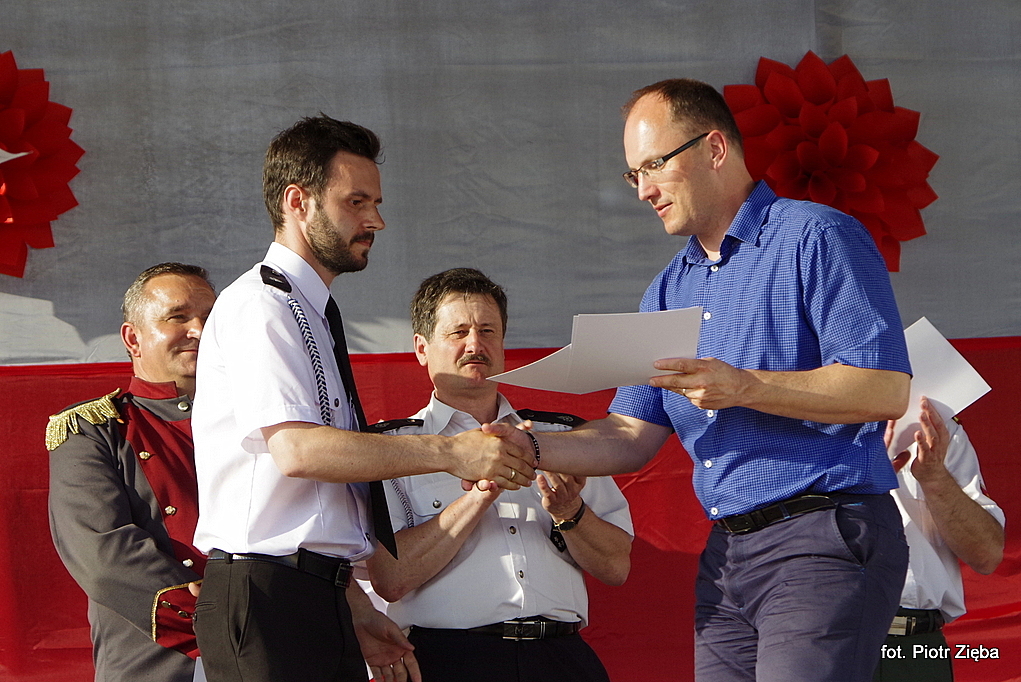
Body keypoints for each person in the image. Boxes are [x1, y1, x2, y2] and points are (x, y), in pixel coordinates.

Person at [487, 78, 914, 682]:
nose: (643, 190)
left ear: (715, 148)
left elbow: (885, 388)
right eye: (633, 174)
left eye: (654, 165)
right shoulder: (668, 289)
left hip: (820, 536)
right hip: (727, 558)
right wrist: (525, 445)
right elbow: (630, 435)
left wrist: (746, 387)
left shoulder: (816, 236)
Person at [190, 115, 536, 682]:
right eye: (356, 202)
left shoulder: (310, 310)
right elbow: (299, 452)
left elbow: (317, 500)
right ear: (298, 202)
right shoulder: (261, 304)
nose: (375, 220)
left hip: (316, 593)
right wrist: (453, 452)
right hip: (267, 595)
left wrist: (352, 603)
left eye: (375, 203)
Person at [364, 268, 633, 682]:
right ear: (421, 348)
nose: (475, 344)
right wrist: (480, 494)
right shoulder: (393, 449)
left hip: (560, 657)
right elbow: (391, 579)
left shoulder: (560, 438)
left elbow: (617, 567)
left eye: (488, 331)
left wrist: (570, 512)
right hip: (450, 659)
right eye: (459, 332)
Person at [47, 262, 216, 682]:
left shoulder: (261, 423)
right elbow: (105, 555)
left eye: (211, 317)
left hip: (270, 654)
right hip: (156, 663)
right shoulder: (90, 429)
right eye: (178, 317)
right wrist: (225, 620)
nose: (199, 330)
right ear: (133, 338)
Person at [875, 397, 1004, 682]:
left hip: (917, 647)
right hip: (826, 635)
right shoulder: (789, 417)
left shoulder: (933, 424)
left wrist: (935, 479)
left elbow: (987, 555)